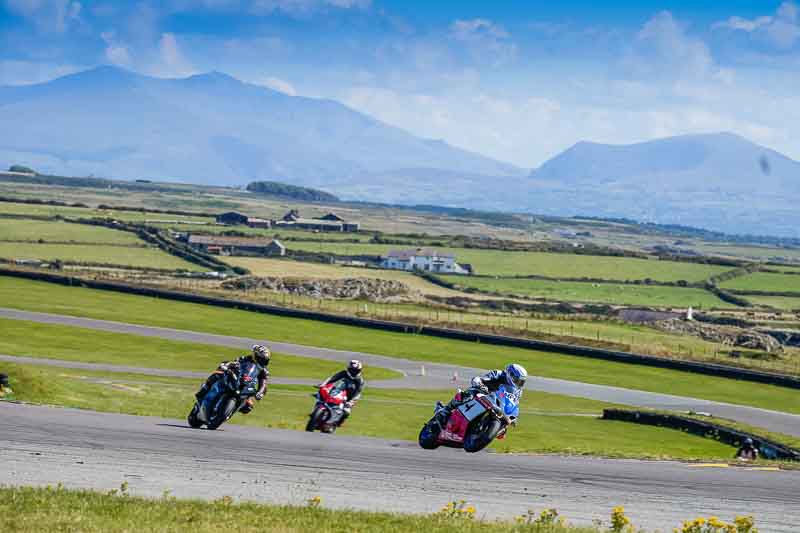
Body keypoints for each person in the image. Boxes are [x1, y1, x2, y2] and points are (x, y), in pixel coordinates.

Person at [435, 363, 528, 427]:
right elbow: (481, 379)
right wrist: (480, 383)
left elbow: (514, 403)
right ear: (510, 375)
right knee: (468, 395)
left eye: (521, 382)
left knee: (505, 423)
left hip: (498, 403)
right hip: (484, 393)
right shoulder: (498, 374)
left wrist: (513, 417)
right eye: (517, 380)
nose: (519, 383)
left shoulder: (518, 391)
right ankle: (445, 410)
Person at [195, 344, 270, 414]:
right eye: (261, 358)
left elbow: (263, 384)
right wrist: (227, 365)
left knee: (249, 407)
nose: (262, 361)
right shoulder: (245, 359)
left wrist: (260, 393)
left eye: (265, 360)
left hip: (247, 388)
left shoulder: (263, 370)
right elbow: (234, 362)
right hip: (236, 379)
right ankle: (205, 388)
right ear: (256, 356)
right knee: (218, 374)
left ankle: (230, 410)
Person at [317, 360, 365, 425]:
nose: (353, 372)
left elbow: (358, 392)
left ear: (359, 370)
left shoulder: (360, 380)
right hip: (337, 391)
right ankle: (316, 412)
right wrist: (323, 384)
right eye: (351, 370)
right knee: (320, 396)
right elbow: (332, 378)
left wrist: (351, 402)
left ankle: (337, 423)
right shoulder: (344, 373)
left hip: (349, 397)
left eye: (355, 370)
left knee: (346, 412)